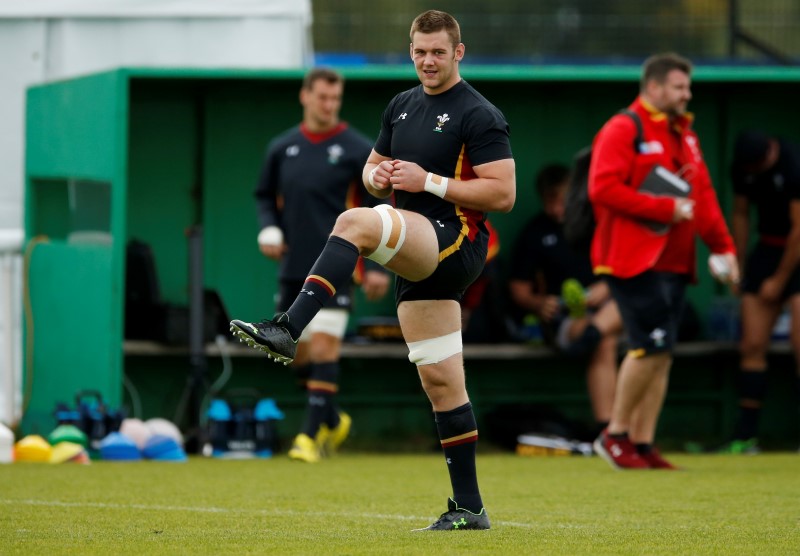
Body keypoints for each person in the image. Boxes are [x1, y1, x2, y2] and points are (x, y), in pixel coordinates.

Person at [231, 10, 515, 530]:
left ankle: (288, 327)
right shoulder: (400, 106)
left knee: (354, 223)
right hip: (417, 246)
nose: (428, 60)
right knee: (442, 382)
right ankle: (470, 508)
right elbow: (372, 171)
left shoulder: (480, 113)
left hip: (455, 241)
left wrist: (428, 181)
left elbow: (503, 193)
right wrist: (378, 174)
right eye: (419, 50)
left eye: (438, 51)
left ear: (459, 52)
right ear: (411, 50)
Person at [588, 52, 739, 470]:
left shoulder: (684, 133)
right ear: (653, 87)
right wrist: (663, 209)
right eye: (679, 87)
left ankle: (642, 443)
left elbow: (704, 197)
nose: (686, 94)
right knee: (649, 345)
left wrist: (724, 247)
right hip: (629, 260)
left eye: (687, 87)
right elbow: (602, 189)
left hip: (674, 261)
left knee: (663, 352)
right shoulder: (624, 127)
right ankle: (614, 436)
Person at [253, 67, 390, 463]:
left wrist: (378, 267)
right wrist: (269, 230)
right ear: (305, 96)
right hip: (293, 267)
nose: (329, 105)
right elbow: (263, 196)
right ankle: (331, 417)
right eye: (322, 97)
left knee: (326, 348)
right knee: (299, 355)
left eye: (335, 99)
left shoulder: (357, 148)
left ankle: (308, 437)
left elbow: (377, 207)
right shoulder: (282, 148)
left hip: (338, 269)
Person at [509, 163, 623, 437]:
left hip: (617, 313)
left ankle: (614, 431)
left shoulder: (600, 224)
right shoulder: (535, 233)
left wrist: (606, 287)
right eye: (550, 201)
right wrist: (539, 303)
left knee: (624, 304)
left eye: (562, 200)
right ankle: (609, 432)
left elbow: (628, 271)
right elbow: (518, 289)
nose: (557, 209)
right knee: (603, 340)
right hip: (569, 320)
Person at [721, 129, 800, 453]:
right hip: (765, 251)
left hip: (795, 252)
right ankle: (746, 436)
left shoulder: (794, 164)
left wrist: (780, 281)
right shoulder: (743, 168)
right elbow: (741, 214)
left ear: (771, 151)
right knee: (752, 343)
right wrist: (738, 265)